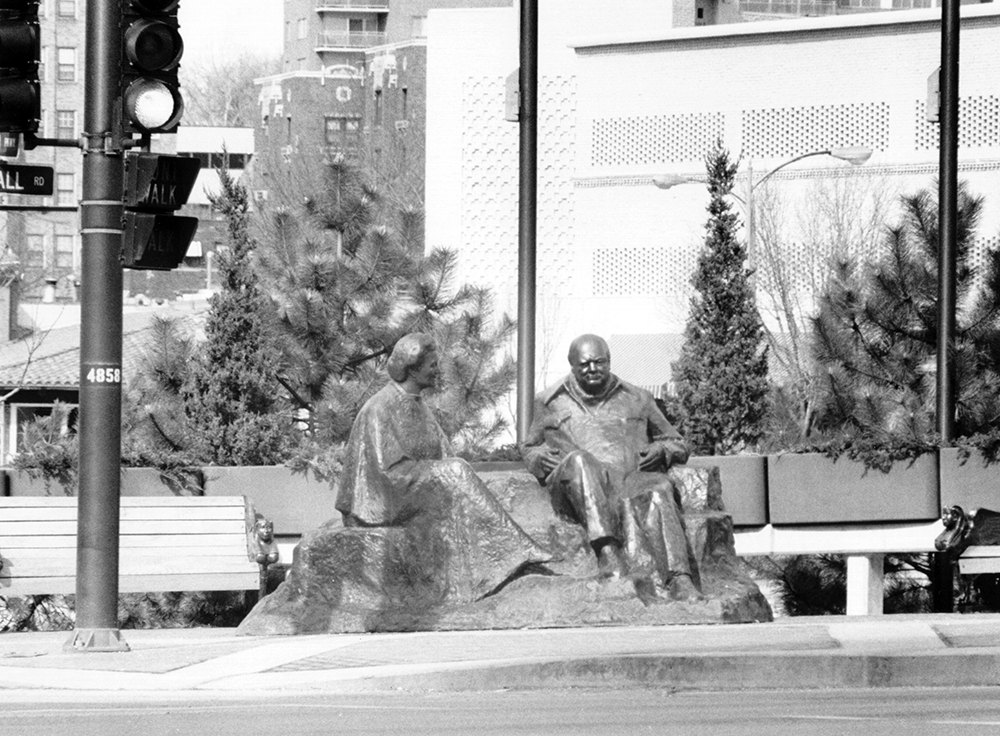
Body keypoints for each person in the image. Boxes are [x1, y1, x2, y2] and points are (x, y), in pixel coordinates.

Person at [335, 333, 548, 603]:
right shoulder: (379, 407)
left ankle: (494, 570)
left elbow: (446, 455)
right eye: (432, 365)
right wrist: (445, 473)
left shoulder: (421, 406)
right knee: (456, 471)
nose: (437, 371)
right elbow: (382, 472)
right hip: (387, 493)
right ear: (413, 368)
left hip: (416, 485)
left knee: (460, 472)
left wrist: (448, 473)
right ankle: (516, 553)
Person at [520, 333, 702, 601]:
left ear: (609, 361)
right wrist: (537, 459)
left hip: (629, 479)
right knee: (580, 460)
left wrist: (661, 450)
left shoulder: (638, 398)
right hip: (575, 484)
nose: (593, 369)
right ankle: (609, 556)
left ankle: (679, 580)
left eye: (599, 362)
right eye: (584, 364)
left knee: (659, 487)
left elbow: (678, 443)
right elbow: (528, 446)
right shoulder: (549, 401)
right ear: (572, 365)